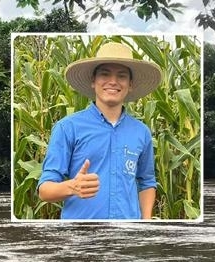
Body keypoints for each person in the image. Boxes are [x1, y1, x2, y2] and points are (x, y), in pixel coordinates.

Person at [37, 41, 160, 219]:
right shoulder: (67, 127)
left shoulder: (142, 132)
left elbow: (147, 182)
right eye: (105, 74)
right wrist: (72, 186)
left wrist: (146, 221)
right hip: (81, 235)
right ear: (93, 81)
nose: (113, 81)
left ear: (130, 84)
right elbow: (44, 190)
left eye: (122, 76)